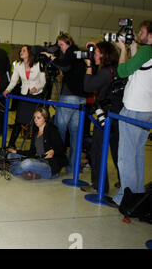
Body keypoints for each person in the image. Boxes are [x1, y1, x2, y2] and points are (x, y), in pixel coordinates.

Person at [111, 20, 152, 207]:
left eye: (142, 32)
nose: (139, 35)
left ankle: (124, 198)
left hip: (133, 110)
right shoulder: (146, 53)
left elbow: (123, 71)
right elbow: (140, 70)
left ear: (150, 36)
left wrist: (123, 50)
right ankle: (136, 194)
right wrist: (133, 45)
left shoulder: (146, 51)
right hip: (147, 111)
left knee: (125, 156)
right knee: (137, 154)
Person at [80, 41, 122, 195]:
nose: (94, 55)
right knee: (118, 152)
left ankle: (99, 186)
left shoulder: (105, 72)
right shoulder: (117, 69)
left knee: (97, 150)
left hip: (106, 116)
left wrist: (89, 67)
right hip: (118, 115)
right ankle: (124, 183)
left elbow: (88, 86)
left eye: (96, 52)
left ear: (103, 55)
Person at [41, 33, 87, 175]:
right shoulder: (79, 54)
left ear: (69, 42)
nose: (60, 48)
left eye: (61, 45)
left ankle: (56, 165)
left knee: (59, 132)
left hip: (69, 98)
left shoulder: (71, 53)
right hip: (81, 99)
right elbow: (70, 70)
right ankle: (72, 168)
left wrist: (51, 57)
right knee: (75, 136)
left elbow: (65, 66)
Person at [3, 45, 46, 149]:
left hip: (36, 96)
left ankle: (34, 146)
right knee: (18, 121)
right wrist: (7, 89)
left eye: (24, 50)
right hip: (23, 96)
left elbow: (43, 82)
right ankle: (11, 144)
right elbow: (14, 80)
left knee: (36, 122)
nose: (21, 52)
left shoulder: (38, 65)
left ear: (30, 53)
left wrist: (37, 88)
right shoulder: (18, 65)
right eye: (20, 50)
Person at [7, 107, 68, 180]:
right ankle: (29, 172)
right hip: (37, 160)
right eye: (34, 118)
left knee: (27, 163)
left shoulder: (51, 130)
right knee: (11, 156)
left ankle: (12, 170)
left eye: (38, 118)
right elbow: (32, 152)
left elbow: (62, 148)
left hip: (48, 166)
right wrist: (16, 151)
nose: (35, 120)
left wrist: (53, 151)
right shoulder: (36, 132)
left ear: (45, 118)